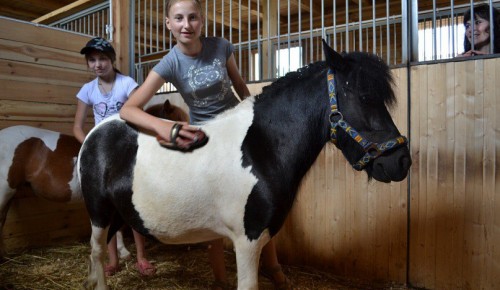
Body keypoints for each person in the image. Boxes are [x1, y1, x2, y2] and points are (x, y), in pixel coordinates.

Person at [119, 1, 291, 289]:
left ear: (202, 20)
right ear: (168, 24)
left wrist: (253, 112)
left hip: (238, 130)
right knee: (215, 210)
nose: (186, 24)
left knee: (261, 201)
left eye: (192, 17)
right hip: (207, 136)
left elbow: (238, 82)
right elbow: (128, 109)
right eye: (179, 18)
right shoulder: (170, 62)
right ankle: (221, 281)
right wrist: (165, 126)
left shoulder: (221, 46)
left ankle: (272, 267)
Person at [73, 37, 157, 277]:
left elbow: (138, 110)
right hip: (101, 153)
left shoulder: (127, 83)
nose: (97, 64)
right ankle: (112, 260)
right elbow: (77, 127)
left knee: (132, 203)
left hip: (125, 149)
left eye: (102, 59)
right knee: (104, 209)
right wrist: (90, 149)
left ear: (111, 60)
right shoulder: (87, 90)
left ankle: (142, 257)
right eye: (92, 60)